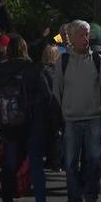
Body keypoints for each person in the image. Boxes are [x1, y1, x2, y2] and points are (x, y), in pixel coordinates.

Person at [52, 20, 101, 202]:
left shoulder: (98, 61)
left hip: (94, 119)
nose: (85, 38)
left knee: (94, 160)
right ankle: (74, 199)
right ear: (70, 37)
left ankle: (90, 197)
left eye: (87, 34)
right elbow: (57, 92)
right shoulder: (63, 62)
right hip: (71, 120)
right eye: (81, 34)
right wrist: (57, 119)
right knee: (70, 162)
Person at [0, 35, 52, 202]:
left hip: (9, 125)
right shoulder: (34, 69)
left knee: (9, 163)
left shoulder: (1, 71)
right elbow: (47, 96)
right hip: (32, 124)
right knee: (36, 163)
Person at [41, 44, 63, 172]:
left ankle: (51, 160)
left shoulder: (43, 72)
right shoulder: (60, 71)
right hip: (60, 106)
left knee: (50, 135)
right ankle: (56, 161)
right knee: (57, 134)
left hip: (47, 108)